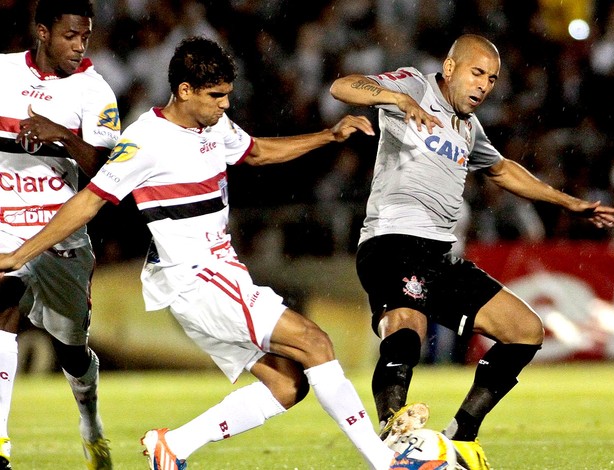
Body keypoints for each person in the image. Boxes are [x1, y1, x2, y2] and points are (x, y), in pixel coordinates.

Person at [0, 36, 400, 470]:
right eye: (216, 96)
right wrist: (21, 254)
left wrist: (329, 135)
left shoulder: (214, 126)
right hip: (195, 277)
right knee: (315, 342)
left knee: (287, 385)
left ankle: (173, 446)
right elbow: (91, 200)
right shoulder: (145, 140)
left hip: (221, 272)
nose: (225, 105)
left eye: (228, 95)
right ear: (184, 90)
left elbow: (258, 152)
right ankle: (386, 463)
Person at [329, 33, 614, 470]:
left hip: (441, 256)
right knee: (408, 322)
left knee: (526, 329)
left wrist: (568, 203)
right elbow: (343, 87)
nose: (484, 85)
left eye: (492, 78)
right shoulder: (414, 85)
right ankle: (393, 430)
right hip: (391, 241)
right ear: (450, 68)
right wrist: (396, 99)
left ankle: (460, 434)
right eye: (477, 72)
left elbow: (503, 170)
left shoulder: (469, 127)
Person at [0, 0, 120, 468]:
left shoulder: (95, 93)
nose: (78, 46)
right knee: (3, 308)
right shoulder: (4, 72)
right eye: (70, 36)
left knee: (73, 352)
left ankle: (90, 421)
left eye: (85, 37)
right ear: (43, 31)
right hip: (7, 226)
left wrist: (62, 136)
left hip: (62, 238)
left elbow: (109, 174)